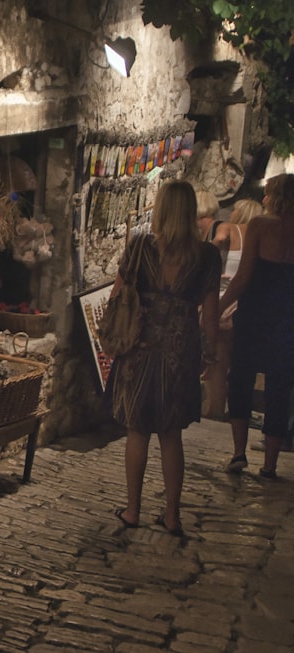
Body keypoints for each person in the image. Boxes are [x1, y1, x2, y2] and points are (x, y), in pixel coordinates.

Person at [109, 181, 221, 536]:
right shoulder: (206, 258)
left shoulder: (141, 248)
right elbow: (211, 314)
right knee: (171, 435)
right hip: (180, 350)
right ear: (190, 213)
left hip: (139, 348)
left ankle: (133, 509)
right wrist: (210, 352)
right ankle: (172, 516)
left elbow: (117, 295)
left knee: (137, 430)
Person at [220, 173, 294, 478]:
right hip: (288, 320)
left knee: (240, 380)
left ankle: (239, 453)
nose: (263, 198)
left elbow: (243, 277)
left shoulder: (261, 226)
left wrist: (218, 309)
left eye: (268, 193)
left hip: (254, 315)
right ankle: (270, 465)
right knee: (280, 388)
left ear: (276, 196)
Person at [202, 199, 265, 419]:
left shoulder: (230, 228)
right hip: (246, 302)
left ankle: (215, 407)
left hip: (223, 297)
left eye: (236, 209)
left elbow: (219, 240)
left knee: (217, 357)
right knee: (238, 359)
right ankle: (237, 408)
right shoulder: (261, 236)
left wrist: (204, 255)